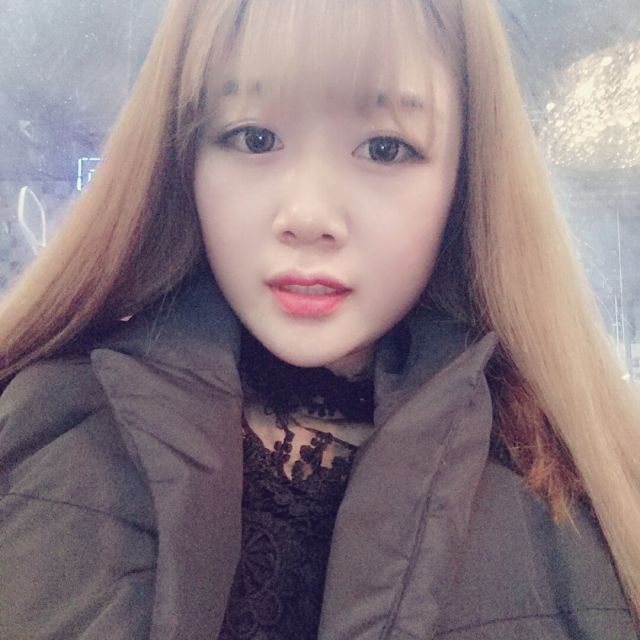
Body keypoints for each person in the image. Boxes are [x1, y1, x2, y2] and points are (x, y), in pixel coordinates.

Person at [0, 0, 638, 638]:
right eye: (254, 138)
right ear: (183, 157)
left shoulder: (582, 488)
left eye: (384, 147)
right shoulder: (43, 422)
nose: (307, 216)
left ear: (465, 175)